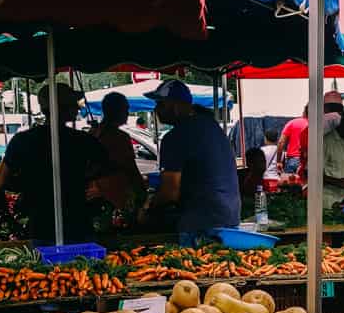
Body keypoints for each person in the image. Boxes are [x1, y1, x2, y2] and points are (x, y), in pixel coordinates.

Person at [0, 83, 103, 242]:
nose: (77, 108)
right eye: (73, 104)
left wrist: (32, 186)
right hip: (76, 217)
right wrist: (77, 179)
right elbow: (103, 167)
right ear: (62, 107)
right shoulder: (83, 140)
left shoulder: (22, 140)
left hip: (37, 218)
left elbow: (2, 181)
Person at [140, 80, 241, 242]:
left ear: (175, 106)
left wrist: (147, 210)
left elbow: (170, 191)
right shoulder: (212, 126)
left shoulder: (175, 137)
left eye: (160, 104)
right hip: (230, 217)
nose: (156, 110)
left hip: (200, 223)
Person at [91, 92, 143, 212]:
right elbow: (131, 169)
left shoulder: (93, 133)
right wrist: (142, 193)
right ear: (117, 111)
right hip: (114, 196)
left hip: (98, 194)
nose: (127, 113)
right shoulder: (119, 137)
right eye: (126, 109)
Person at [240, 129, 270, 211]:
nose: (264, 164)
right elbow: (260, 208)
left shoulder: (258, 180)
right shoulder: (250, 182)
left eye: (264, 161)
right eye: (261, 161)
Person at [277, 104, 311, 176]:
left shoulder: (292, 123)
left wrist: (278, 161)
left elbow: (281, 142)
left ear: (304, 112)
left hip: (292, 160)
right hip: (308, 162)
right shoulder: (315, 125)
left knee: (289, 182)